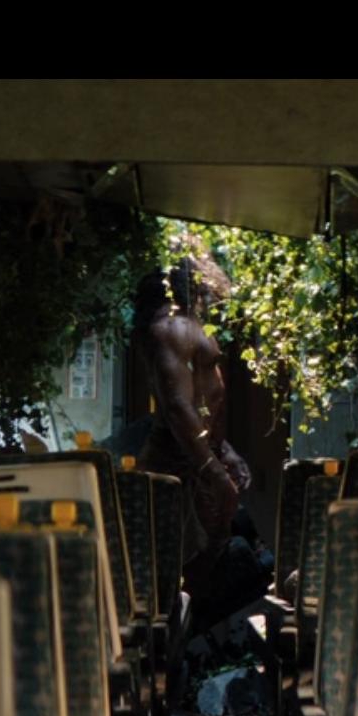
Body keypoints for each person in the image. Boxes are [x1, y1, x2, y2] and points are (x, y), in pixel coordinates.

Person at [131, 238, 253, 594]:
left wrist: (224, 450)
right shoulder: (172, 328)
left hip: (194, 466)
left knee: (201, 572)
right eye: (202, 266)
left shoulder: (183, 326)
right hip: (178, 469)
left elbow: (197, 402)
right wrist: (214, 474)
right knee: (179, 581)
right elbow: (178, 407)